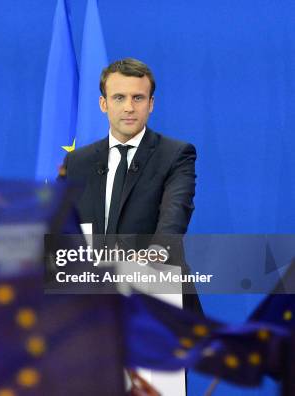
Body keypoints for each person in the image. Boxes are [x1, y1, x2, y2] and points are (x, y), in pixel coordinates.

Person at [61, 58, 201, 313]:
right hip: (91, 299)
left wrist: (153, 256)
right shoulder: (76, 162)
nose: (128, 107)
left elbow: (175, 215)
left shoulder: (176, 154)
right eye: (119, 98)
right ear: (103, 104)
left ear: (151, 104)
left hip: (156, 290)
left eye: (138, 98)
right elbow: (62, 225)